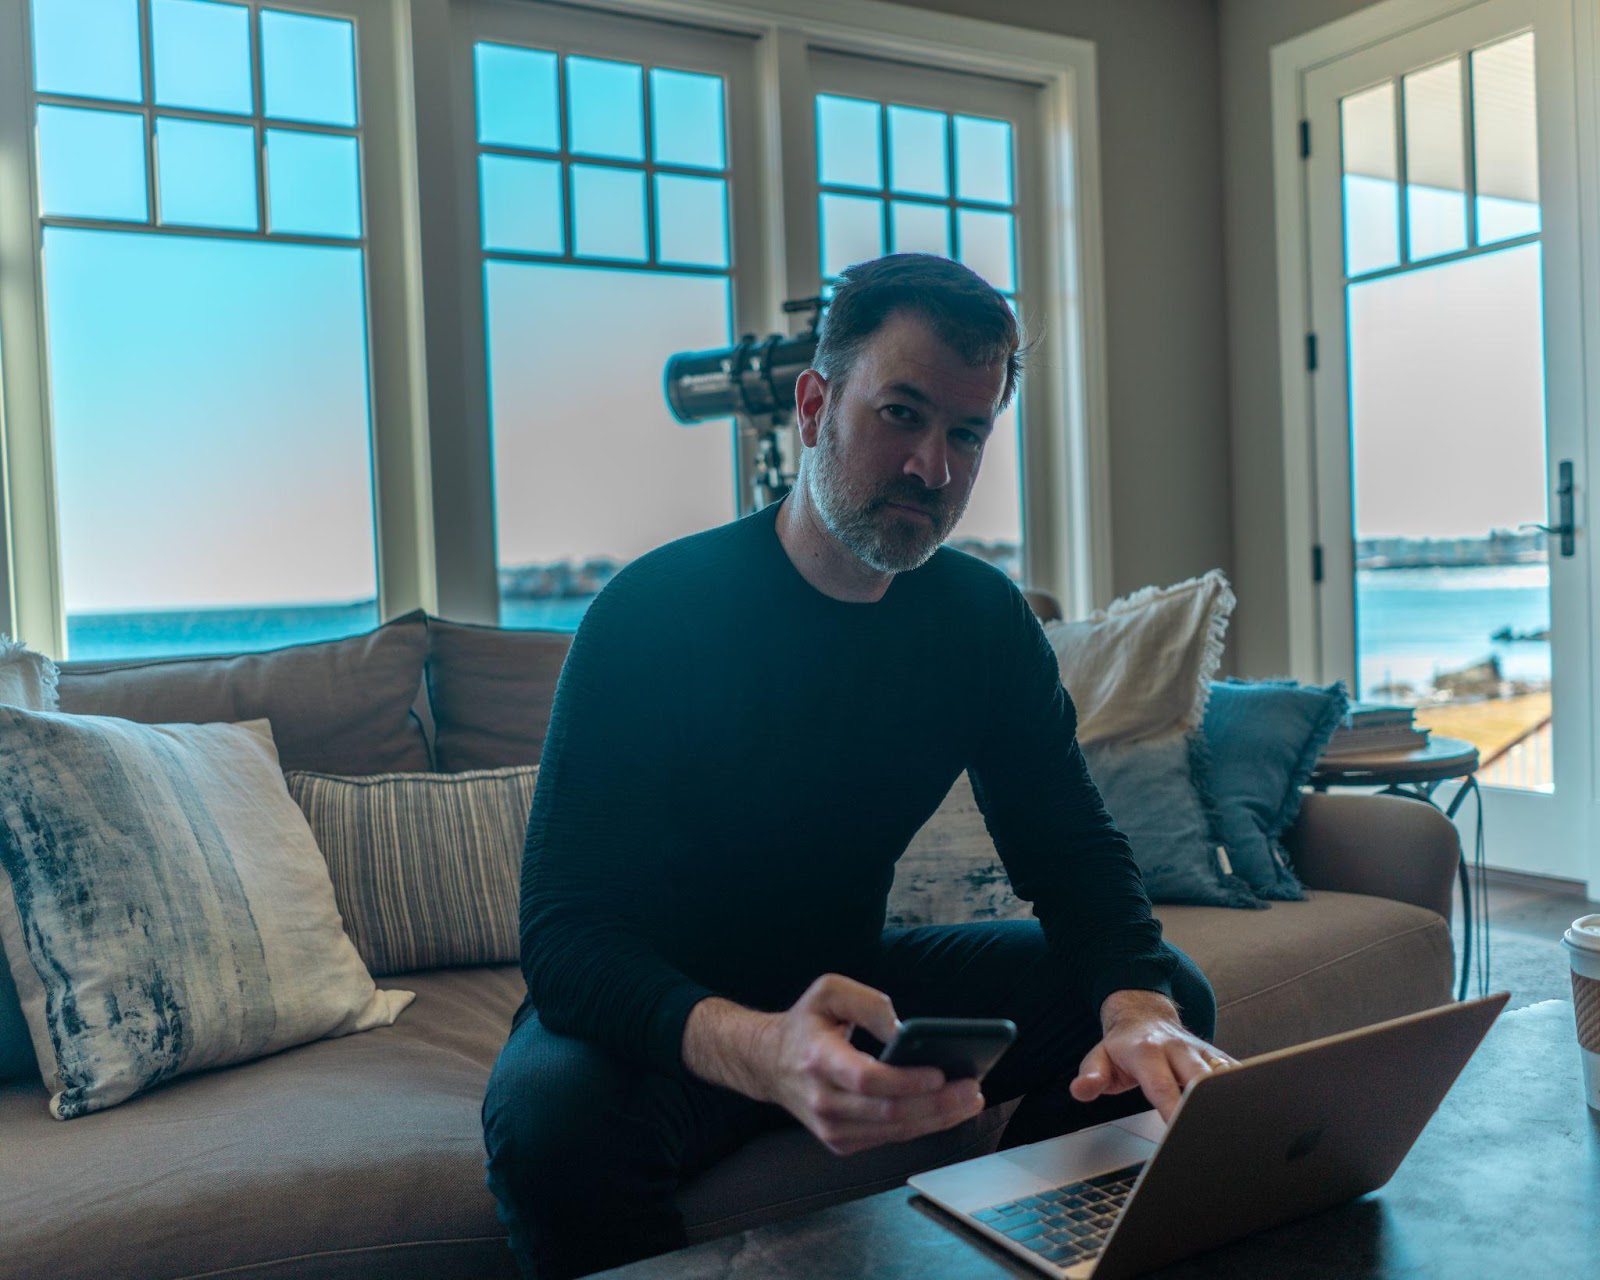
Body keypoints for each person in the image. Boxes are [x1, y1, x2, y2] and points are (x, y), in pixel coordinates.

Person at [482, 253, 1233, 1279]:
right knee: (547, 1114)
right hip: (660, 1025)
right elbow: (565, 939)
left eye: (966, 432)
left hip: (855, 990)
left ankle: (1023, 1255)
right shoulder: (648, 616)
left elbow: (1069, 849)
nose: (932, 465)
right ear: (811, 404)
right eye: (901, 414)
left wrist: (1137, 1003)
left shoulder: (980, 623)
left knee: (1156, 996)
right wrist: (762, 1047)